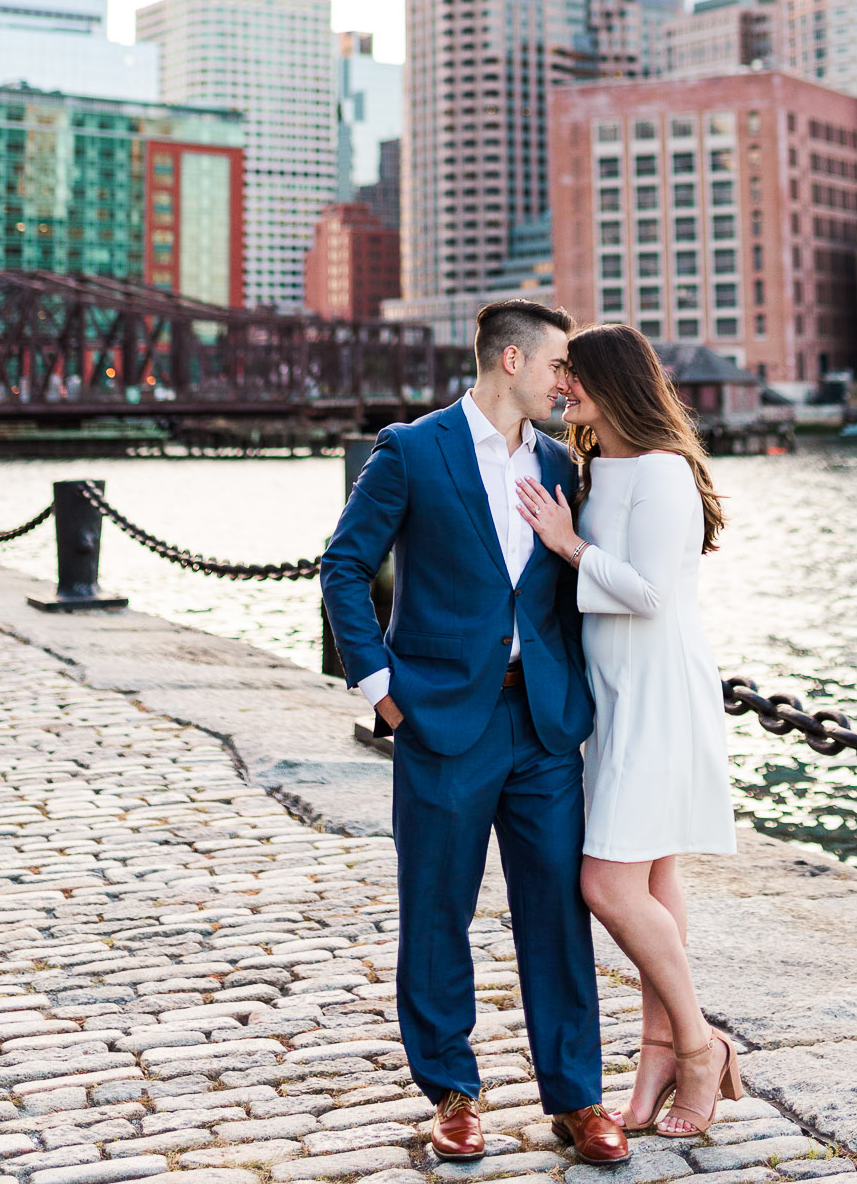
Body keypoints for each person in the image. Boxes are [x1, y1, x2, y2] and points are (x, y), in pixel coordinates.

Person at [320, 299, 630, 1167]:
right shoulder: (414, 451)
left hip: (542, 725)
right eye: (558, 366)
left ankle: (578, 1098)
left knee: (558, 915)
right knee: (437, 911)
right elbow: (344, 565)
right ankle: (452, 1093)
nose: (568, 383)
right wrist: (381, 687)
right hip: (442, 719)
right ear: (509, 360)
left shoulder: (567, 466)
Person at [516, 321, 740, 1140]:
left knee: (607, 885)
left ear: (612, 383)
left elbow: (646, 592)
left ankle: (697, 1044)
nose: (563, 387)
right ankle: (654, 1053)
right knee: (651, 881)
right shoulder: (595, 466)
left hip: (656, 693)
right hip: (611, 696)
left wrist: (567, 543)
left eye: (573, 375)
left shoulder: (663, 472)